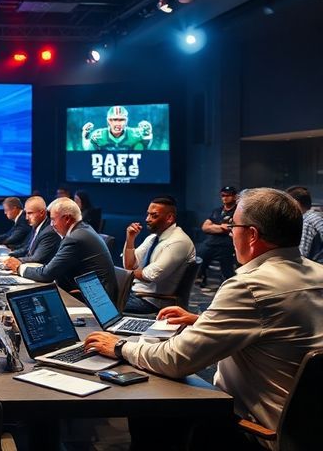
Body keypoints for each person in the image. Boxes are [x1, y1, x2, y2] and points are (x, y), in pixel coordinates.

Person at [84, 188, 323, 449]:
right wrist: (201, 320)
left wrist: (119, 346)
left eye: (234, 226)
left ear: (252, 235)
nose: (231, 233)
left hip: (258, 433)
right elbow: (282, 329)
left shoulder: (250, 287)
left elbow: (176, 360)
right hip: (311, 430)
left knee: (149, 405)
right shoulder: (318, 274)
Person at [6, 198, 117, 300]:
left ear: (67, 219)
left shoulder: (75, 238)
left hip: (97, 301)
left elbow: (47, 274)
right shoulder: (82, 230)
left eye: (53, 220)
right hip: (89, 292)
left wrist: (19, 268)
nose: (52, 225)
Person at [122, 196, 195, 314]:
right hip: (136, 294)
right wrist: (130, 239)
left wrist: (124, 274)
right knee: (97, 298)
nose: (147, 219)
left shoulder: (178, 242)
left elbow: (150, 275)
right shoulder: (153, 238)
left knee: (101, 305)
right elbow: (130, 265)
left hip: (152, 302)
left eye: (154, 216)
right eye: (148, 214)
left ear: (169, 218)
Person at [197, 185, 238, 288]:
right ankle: (201, 279)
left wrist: (214, 227)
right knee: (200, 254)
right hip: (212, 243)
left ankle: (227, 285)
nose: (225, 198)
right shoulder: (217, 211)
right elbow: (205, 227)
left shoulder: (238, 211)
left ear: (234, 197)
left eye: (228, 195)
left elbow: (231, 228)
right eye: (223, 195)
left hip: (227, 244)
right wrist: (220, 227)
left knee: (228, 272)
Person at [2, 196, 60, 266]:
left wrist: (16, 260)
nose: (26, 217)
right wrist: (9, 255)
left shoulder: (49, 231)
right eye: (26, 213)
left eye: (30, 213)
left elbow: (37, 258)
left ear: (42, 213)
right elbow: (27, 248)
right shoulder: (36, 226)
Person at [81, 105, 153, 151]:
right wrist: (85, 135)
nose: (118, 123)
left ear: (126, 121)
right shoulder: (98, 135)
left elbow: (145, 150)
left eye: (121, 119)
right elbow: (88, 151)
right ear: (109, 121)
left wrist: (147, 134)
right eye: (114, 119)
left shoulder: (136, 134)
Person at [286, 185, 323, 262]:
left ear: (297, 203)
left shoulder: (306, 222)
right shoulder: (317, 217)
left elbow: (302, 256)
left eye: (287, 203)